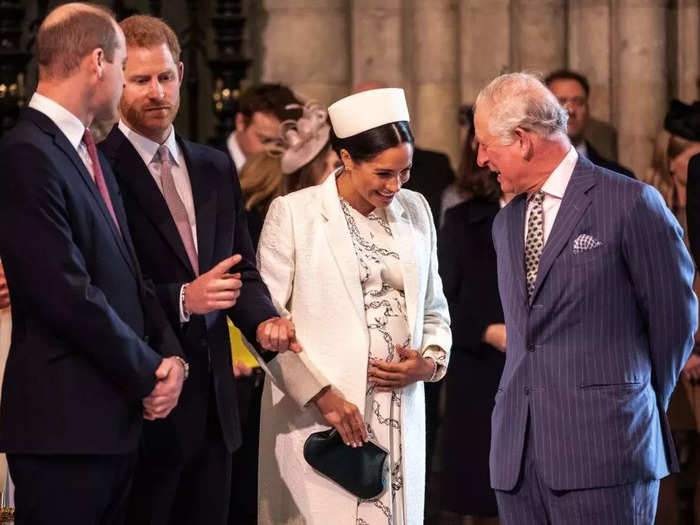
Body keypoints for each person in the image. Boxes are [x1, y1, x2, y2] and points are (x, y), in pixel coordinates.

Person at [98, 15, 297, 525]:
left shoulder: (212, 166)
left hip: (216, 406)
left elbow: (240, 270)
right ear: (116, 78)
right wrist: (184, 298)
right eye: (140, 80)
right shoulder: (97, 169)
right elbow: (101, 290)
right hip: (143, 401)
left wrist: (263, 324)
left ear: (182, 73)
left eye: (164, 77)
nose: (155, 91)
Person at [475, 72, 697, 523]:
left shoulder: (631, 203)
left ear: (521, 140)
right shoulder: (504, 224)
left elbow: (676, 323)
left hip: (607, 450)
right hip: (517, 459)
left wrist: (628, 403)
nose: (480, 159)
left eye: (485, 145)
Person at [0, 4, 188, 523]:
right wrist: (150, 370)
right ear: (99, 62)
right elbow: (65, 293)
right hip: (64, 427)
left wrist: (172, 360)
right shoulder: (26, 152)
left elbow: (130, 275)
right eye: (127, 67)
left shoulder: (89, 151)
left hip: (112, 423)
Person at [256, 87, 451, 524]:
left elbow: (435, 306)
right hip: (322, 419)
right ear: (346, 158)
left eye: (405, 172)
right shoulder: (294, 214)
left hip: (398, 414)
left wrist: (430, 362)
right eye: (383, 173)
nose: (395, 186)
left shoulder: (415, 210)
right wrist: (322, 396)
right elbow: (265, 326)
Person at [437, 126, 512, 524]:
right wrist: (485, 330)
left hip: (548, 369)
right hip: (481, 368)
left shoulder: (558, 215)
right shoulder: (464, 220)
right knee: (485, 495)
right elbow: (440, 301)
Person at [545, 69, 635, 178]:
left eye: (579, 102)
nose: (571, 110)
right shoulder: (525, 174)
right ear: (544, 110)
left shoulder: (620, 177)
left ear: (587, 109)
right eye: (561, 101)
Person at [224, 83, 302, 172]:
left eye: (281, 143)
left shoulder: (293, 169)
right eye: (265, 140)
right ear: (240, 122)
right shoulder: (209, 166)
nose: (273, 151)